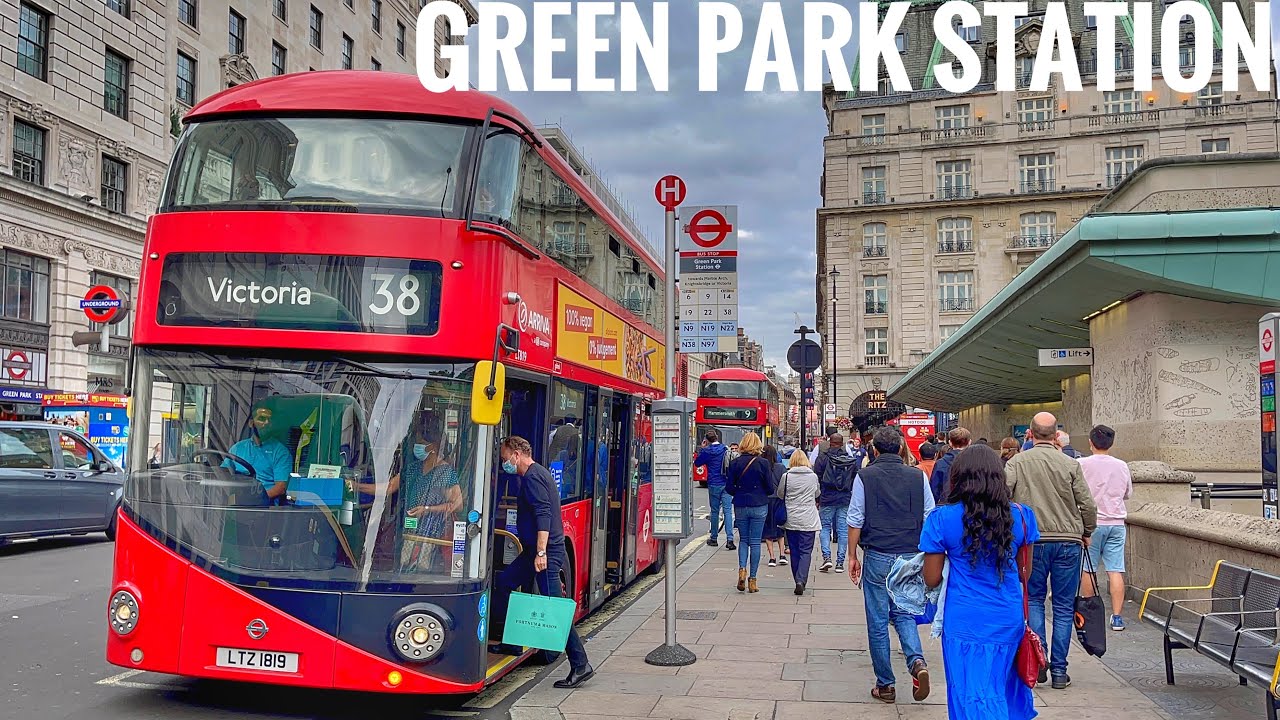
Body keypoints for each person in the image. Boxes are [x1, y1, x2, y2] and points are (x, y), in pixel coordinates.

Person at [921, 444, 1041, 719]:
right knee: (999, 689)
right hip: (1007, 618)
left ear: (958, 478)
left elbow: (931, 578)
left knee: (969, 693)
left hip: (964, 619)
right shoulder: (1022, 517)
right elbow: (1024, 573)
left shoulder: (942, 519)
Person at [491, 436, 594, 689]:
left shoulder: (533, 478)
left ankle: (580, 664)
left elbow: (543, 515)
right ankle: (513, 642)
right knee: (504, 583)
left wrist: (540, 553)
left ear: (516, 454)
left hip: (545, 552)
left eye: (505, 458)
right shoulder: (535, 474)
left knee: (554, 609)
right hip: (533, 551)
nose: (504, 463)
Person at [1005, 411, 1098, 689]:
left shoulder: (1016, 463)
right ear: (1056, 435)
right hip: (1068, 540)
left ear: (1030, 434)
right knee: (1063, 606)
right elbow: (1087, 504)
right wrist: (1086, 531)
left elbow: (1003, 497)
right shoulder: (1070, 464)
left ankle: (1039, 660)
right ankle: (1059, 670)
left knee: (1034, 600)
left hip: (1031, 541)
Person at [847, 427, 935, 704]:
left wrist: (852, 556)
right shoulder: (918, 476)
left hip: (877, 554)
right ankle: (916, 662)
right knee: (905, 614)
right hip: (910, 554)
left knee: (877, 621)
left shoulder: (865, 476)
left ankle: (885, 685)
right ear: (900, 448)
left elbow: (855, 518)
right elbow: (929, 515)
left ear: (874, 450)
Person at [387, 410, 464, 573]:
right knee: (404, 566)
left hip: (432, 536)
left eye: (421, 443)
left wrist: (427, 509)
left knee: (423, 570)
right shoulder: (413, 468)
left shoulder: (445, 472)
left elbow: (458, 505)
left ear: (433, 446)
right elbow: (389, 487)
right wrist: (358, 486)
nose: (417, 447)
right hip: (409, 531)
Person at [1078, 424, 1133, 631]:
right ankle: (1117, 617)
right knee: (1115, 569)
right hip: (1116, 522)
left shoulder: (1081, 464)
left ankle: (1091, 613)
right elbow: (1127, 493)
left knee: (1088, 568)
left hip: (1092, 523)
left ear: (1090, 442)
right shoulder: (1122, 465)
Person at [725, 432, 775, 593]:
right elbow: (770, 488)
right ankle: (752, 580)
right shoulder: (763, 463)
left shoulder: (735, 463)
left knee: (744, 540)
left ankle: (741, 571)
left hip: (741, 504)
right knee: (755, 542)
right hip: (759, 504)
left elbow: (729, 487)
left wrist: (739, 492)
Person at [225, 404, 292, 501]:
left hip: (265, 505)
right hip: (238, 502)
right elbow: (223, 475)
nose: (267, 423)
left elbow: (281, 487)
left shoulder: (280, 452)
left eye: (270, 420)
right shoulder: (237, 448)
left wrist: (256, 499)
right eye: (262, 419)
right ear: (251, 423)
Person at [813, 433, 857, 573]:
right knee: (843, 530)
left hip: (827, 497)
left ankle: (827, 557)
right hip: (844, 498)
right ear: (842, 443)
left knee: (825, 527)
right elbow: (854, 478)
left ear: (830, 443)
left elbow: (817, 478)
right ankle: (840, 563)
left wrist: (817, 498)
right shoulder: (850, 460)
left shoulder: (822, 458)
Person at [780, 450, 821, 595]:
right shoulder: (813, 476)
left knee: (794, 550)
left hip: (791, 518)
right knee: (806, 551)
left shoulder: (786, 476)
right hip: (808, 518)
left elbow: (780, 494)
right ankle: (801, 579)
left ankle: (796, 578)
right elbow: (817, 493)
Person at [695, 430, 735, 550]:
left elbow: (697, 463)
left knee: (715, 512)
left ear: (706, 440)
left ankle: (714, 538)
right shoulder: (725, 449)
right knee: (728, 511)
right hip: (726, 483)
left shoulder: (707, 451)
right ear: (717, 437)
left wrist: (702, 449)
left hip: (713, 483)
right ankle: (730, 539)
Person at [762, 445, 788, 568]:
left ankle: (772, 557)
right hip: (779, 499)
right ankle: (782, 555)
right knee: (779, 527)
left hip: (765, 500)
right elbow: (785, 484)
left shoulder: (762, 467)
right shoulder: (781, 467)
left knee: (768, 528)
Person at [929, 427, 971, 503]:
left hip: (948, 503)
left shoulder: (941, 463)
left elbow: (934, 489)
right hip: (971, 505)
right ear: (969, 442)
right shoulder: (976, 462)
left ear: (950, 443)